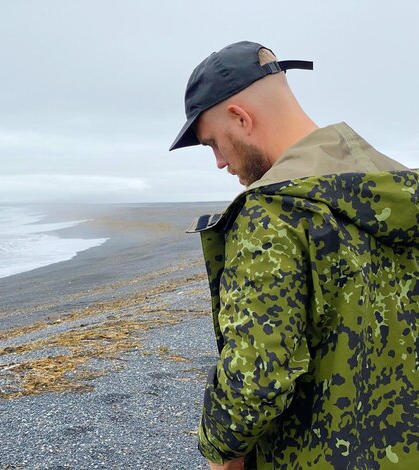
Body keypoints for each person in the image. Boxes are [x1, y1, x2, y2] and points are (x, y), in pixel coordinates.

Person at [170, 41, 419, 469]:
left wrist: (220, 451)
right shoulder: (398, 189)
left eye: (213, 142)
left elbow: (257, 378)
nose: (217, 161)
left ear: (241, 118)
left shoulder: (273, 214)